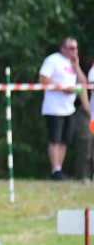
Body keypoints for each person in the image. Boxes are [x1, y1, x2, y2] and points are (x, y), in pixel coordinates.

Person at [39, 37, 80, 181]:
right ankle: (54, 169)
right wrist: (62, 88)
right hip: (54, 108)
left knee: (64, 140)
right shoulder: (53, 60)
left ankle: (59, 169)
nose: (73, 51)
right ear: (62, 48)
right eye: (71, 48)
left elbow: (82, 83)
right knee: (55, 139)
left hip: (69, 107)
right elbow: (43, 79)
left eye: (75, 48)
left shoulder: (72, 63)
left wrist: (77, 66)